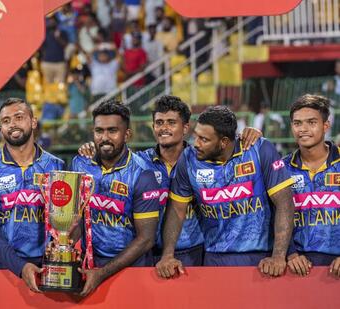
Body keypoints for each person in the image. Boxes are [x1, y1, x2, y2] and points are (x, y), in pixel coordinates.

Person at [79, 96, 262, 268]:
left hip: (194, 253)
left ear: (185, 128)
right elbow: (112, 155)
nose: (164, 128)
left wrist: (246, 134)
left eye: (171, 122)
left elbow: (227, 150)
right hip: (149, 253)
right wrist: (90, 150)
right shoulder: (140, 164)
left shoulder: (202, 161)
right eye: (159, 123)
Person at [157, 106, 295, 278]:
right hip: (214, 258)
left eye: (204, 139)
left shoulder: (259, 150)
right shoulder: (188, 159)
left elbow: (285, 203)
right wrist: (168, 255)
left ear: (223, 142)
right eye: (196, 136)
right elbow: (177, 210)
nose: (196, 143)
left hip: (260, 259)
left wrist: (279, 256)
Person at [0, 98, 65, 292]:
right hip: (3, 269)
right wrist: (20, 267)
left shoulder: (57, 166)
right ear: (0, 130)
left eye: (19, 117)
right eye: (6, 121)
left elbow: (64, 221)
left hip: (48, 267)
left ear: (33, 122)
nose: (12, 124)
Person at [70, 100, 159, 296]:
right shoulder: (80, 165)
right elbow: (77, 219)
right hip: (89, 265)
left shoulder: (143, 173)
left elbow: (146, 239)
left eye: (112, 131)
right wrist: (63, 245)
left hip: (131, 270)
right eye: (99, 131)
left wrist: (102, 273)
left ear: (127, 134)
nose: (104, 138)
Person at [282, 94, 340, 278]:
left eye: (311, 122)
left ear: (326, 125)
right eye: (297, 123)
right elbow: (271, 216)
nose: (303, 129)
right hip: (296, 264)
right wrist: (290, 253)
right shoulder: (281, 168)